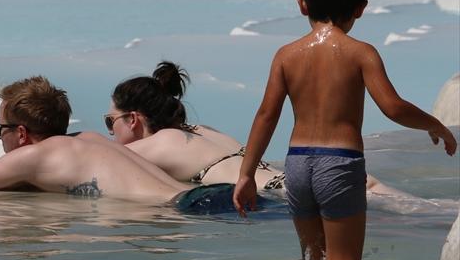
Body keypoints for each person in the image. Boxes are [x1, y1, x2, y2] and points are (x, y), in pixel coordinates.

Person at [232, 0, 456, 260]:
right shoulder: (361, 53)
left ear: (302, 4)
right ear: (360, 8)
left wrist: (246, 174)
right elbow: (392, 107)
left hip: (297, 165)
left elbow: (266, 116)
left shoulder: (286, 55)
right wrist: (434, 124)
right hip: (339, 163)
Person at [0, 75, 252, 214]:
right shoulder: (88, 139)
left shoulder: (35, 156)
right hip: (210, 198)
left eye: (0, 129)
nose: (0, 137)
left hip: (194, 210)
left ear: (22, 134)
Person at [107, 61, 414, 200]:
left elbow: (97, 162)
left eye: (111, 122)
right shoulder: (201, 130)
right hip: (317, 179)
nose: (110, 133)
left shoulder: (157, 144)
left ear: (133, 119)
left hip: (292, 195)